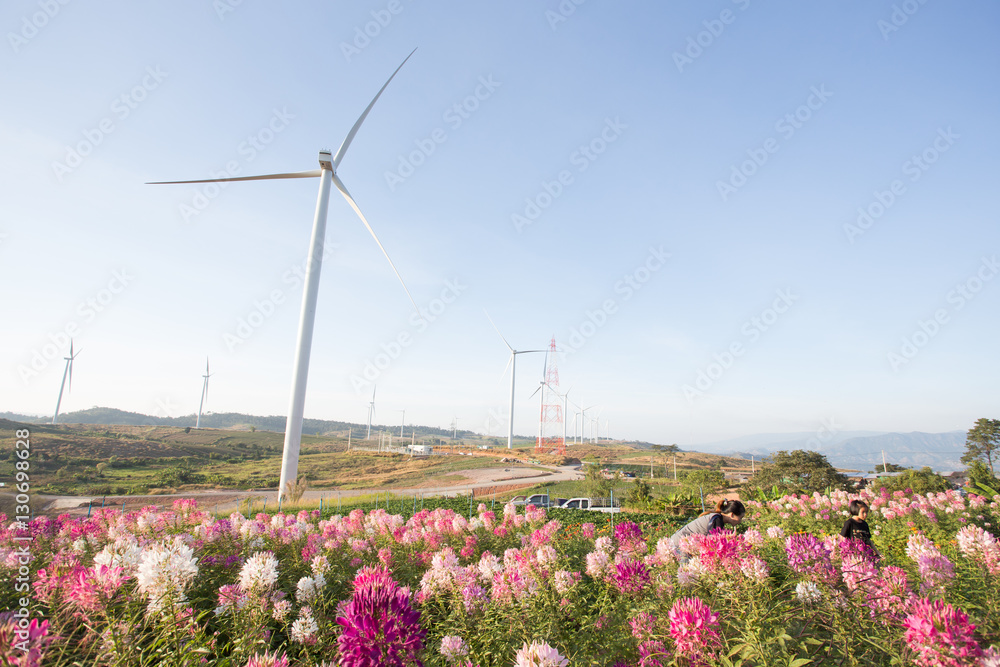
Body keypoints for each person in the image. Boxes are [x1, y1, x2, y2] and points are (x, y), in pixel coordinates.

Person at [670, 498, 746, 553]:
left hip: (680, 544)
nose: (740, 521)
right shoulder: (717, 520)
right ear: (732, 515)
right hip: (677, 545)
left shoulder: (717, 518)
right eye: (740, 518)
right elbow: (712, 545)